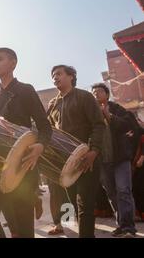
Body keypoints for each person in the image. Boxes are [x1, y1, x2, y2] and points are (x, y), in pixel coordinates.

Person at [0, 48, 52, 238]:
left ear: (13, 63)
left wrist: (40, 146)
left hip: (22, 162)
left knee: (23, 222)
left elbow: (45, 127)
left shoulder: (25, 90)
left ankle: (33, 198)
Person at [47, 65, 105, 238]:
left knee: (84, 204)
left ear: (71, 76)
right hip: (64, 163)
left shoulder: (84, 96)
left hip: (87, 159)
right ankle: (70, 231)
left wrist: (94, 151)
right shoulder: (53, 104)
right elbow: (50, 132)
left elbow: (98, 124)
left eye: (59, 74)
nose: (55, 78)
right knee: (69, 203)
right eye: (52, 75)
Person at [91, 83, 137, 237]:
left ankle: (129, 227)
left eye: (99, 91)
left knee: (124, 190)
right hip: (102, 160)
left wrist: (109, 116)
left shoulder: (117, 108)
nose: (96, 94)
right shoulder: (90, 113)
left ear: (107, 94)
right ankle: (121, 224)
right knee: (111, 193)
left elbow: (128, 125)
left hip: (120, 158)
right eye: (93, 92)